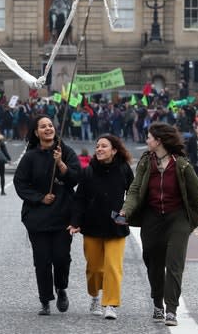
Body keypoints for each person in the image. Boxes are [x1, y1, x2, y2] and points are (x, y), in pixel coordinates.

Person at [119, 122, 198, 327]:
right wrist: (125, 211)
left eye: (149, 137)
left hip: (178, 219)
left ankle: (171, 309)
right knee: (152, 262)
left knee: (174, 263)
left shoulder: (181, 165)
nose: (146, 140)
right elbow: (135, 189)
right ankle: (157, 302)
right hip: (152, 218)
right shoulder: (146, 163)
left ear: (159, 141)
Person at [13, 114, 80, 316]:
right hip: (38, 217)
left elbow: (75, 178)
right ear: (36, 132)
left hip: (62, 216)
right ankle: (45, 299)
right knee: (42, 261)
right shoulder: (30, 156)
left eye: (50, 125)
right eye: (43, 127)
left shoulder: (65, 151)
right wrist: (40, 198)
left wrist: (60, 164)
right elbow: (20, 184)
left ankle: (61, 288)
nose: (48, 129)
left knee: (61, 258)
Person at [68, 135, 134, 321]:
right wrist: (75, 222)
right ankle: (95, 296)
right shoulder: (88, 171)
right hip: (92, 224)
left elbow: (133, 192)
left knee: (113, 267)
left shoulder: (123, 169)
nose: (99, 149)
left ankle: (111, 304)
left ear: (114, 150)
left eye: (104, 146)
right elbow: (79, 198)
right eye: (97, 146)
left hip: (116, 225)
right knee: (94, 268)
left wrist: (128, 211)